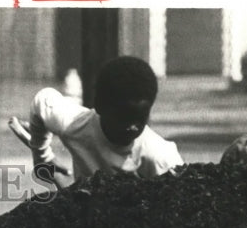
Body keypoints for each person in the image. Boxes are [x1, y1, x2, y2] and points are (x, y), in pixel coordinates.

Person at [26, 56, 183, 180]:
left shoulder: (159, 157)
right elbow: (42, 100)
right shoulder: (73, 125)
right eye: (124, 117)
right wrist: (43, 159)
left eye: (140, 118)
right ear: (99, 106)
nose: (133, 127)